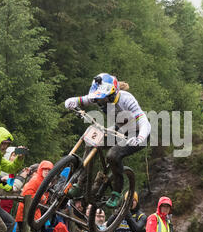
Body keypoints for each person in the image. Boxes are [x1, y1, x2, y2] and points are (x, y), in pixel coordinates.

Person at [64, 73, 151, 208]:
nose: (100, 102)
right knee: (91, 142)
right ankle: (81, 182)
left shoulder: (127, 100)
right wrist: (71, 102)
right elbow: (82, 100)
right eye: (98, 100)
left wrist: (140, 138)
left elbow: (144, 121)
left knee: (113, 155)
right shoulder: (99, 96)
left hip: (138, 134)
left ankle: (116, 192)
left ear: (112, 95)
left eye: (103, 100)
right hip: (120, 130)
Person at [0, 127, 25, 213]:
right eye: (3, 143)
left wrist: (20, 158)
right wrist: (11, 188)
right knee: (7, 222)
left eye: (7, 144)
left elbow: (10, 168)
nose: (5, 147)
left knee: (8, 221)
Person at [15, 160, 54, 232]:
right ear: (40, 170)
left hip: (35, 213)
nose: (47, 171)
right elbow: (26, 194)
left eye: (49, 170)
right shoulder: (35, 180)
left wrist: (43, 198)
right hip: (24, 212)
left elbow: (43, 201)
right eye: (44, 169)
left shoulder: (45, 182)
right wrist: (41, 197)